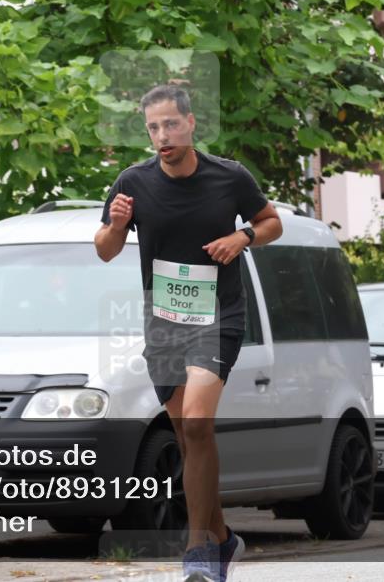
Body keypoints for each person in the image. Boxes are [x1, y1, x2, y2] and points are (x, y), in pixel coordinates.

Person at [94, 84, 282, 582]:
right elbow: (106, 250)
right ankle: (222, 536)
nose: (162, 135)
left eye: (170, 124)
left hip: (218, 316)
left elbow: (271, 223)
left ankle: (199, 553)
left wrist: (242, 237)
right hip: (164, 323)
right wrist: (115, 225)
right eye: (153, 127)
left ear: (191, 123)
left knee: (197, 425)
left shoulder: (229, 177)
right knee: (185, 435)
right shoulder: (133, 183)